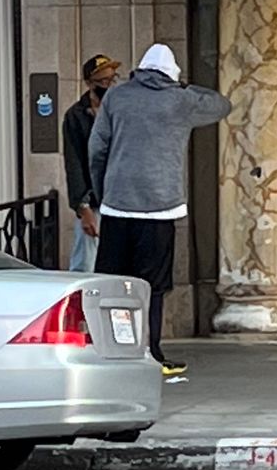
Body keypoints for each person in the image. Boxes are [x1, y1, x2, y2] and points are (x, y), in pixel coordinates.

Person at [89, 42, 230, 377]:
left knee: (113, 283)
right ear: (171, 72)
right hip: (160, 209)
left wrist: (102, 191)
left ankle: (109, 350)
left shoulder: (117, 97)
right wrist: (180, 86)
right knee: (153, 287)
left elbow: (97, 148)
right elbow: (221, 105)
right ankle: (151, 352)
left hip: (118, 206)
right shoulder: (179, 100)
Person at [61, 53, 119, 273]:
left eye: (112, 79)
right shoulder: (76, 116)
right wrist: (82, 207)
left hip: (119, 199)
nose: (109, 85)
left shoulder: (119, 111)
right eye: (103, 81)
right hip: (93, 200)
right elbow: (74, 162)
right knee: (85, 263)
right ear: (89, 83)